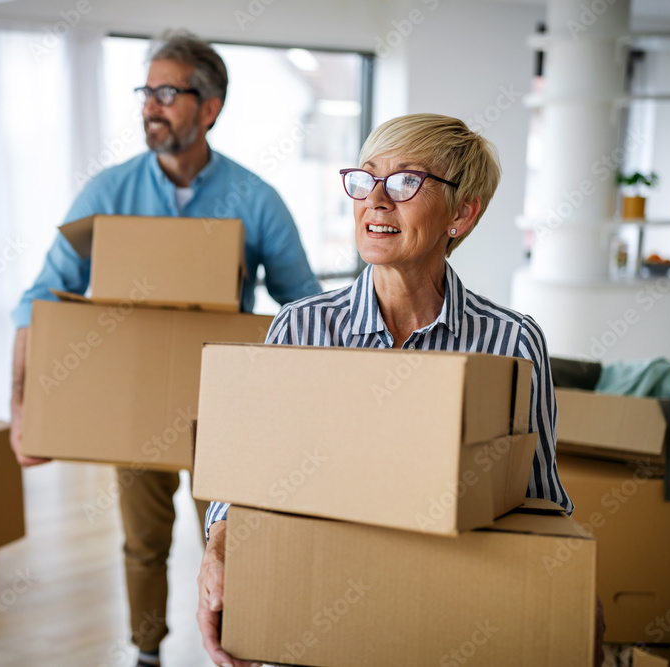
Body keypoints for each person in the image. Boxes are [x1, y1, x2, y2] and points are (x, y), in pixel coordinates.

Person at [196, 113, 599, 667]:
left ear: (462, 212)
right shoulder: (302, 328)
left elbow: (539, 495)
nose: (376, 200)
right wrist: (217, 552)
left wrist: (577, 593)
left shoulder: (511, 341)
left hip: (447, 619)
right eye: (365, 178)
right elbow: (247, 480)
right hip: (314, 612)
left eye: (406, 181)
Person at [9, 30, 320, 667]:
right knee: (143, 545)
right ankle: (147, 654)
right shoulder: (107, 194)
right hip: (137, 408)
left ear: (210, 108)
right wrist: (23, 411)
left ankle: (238, 649)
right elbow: (40, 298)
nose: (151, 105)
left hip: (227, 414)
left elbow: (307, 311)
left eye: (168, 92)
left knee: (234, 546)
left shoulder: (255, 200)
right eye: (146, 91)